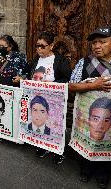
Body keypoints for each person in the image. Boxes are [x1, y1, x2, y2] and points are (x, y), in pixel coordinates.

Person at [69, 26, 111, 189]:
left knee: (109, 142)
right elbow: (71, 86)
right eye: (94, 42)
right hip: (89, 116)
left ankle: (104, 174)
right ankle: (86, 170)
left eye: (102, 42)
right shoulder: (84, 62)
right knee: (88, 140)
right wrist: (92, 86)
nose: (97, 46)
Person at [29, 31, 72, 163]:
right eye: (37, 46)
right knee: (42, 123)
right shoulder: (36, 59)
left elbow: (67, 79)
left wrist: (53, 84)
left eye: (43, 46)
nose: (39, 49)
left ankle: (59, 151)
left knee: (56, 124)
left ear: (51, 46)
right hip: (38, 98)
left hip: (55, 99)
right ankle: (44, 145)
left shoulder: (60, 60)